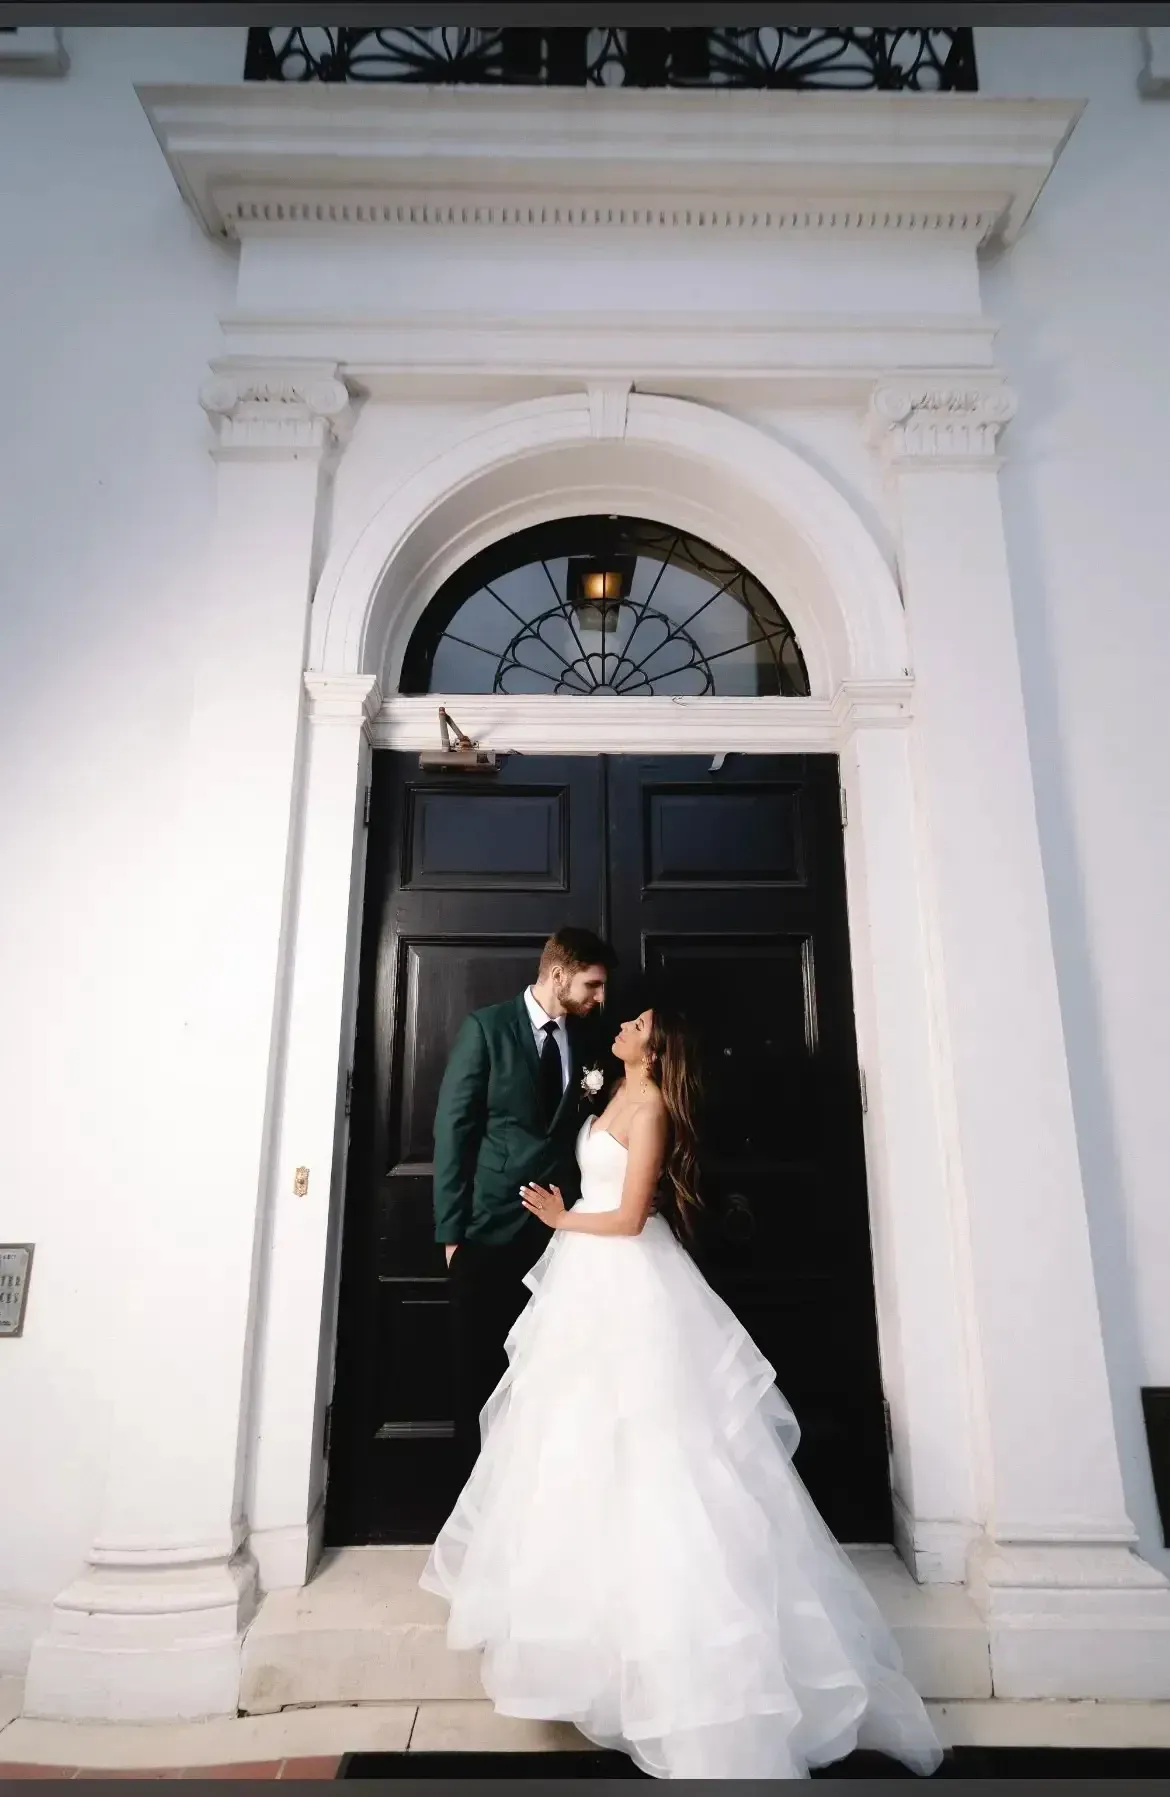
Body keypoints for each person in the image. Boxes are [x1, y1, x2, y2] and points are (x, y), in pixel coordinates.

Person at [421, 998, 944, 1782]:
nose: (626, 1022)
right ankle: (585, 1637)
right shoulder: (615, 1093)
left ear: (655, 1051)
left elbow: (630, 1216)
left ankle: (681, 1672)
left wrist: (564, 1219)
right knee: (576, 1446)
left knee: (658, 1450)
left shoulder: (655, 1106)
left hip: (628, 1280)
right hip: (585, 1289)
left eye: (639, 1023)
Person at [432, 926, 616, 1481]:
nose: (600, 998)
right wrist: (451, 1234)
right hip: (487, 1233)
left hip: (562, 1240)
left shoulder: (591, 1041)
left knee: (551, 1384)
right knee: (481, 1382)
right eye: (593, 984)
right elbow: (453, 1129)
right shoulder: (486, 1029)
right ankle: (473, 1528)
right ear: (558, 973)